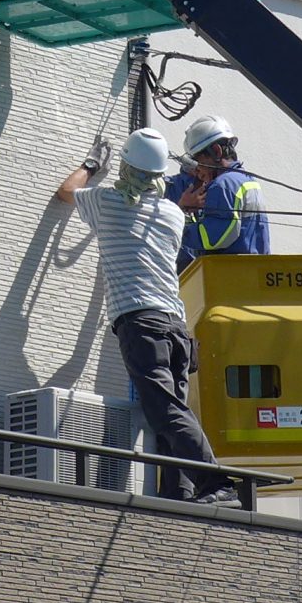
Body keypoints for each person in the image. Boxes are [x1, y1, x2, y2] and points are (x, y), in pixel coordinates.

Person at [57, 127, 235, 505]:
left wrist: (91, 165)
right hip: (176, 328)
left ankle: (216, 484)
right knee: (171, 413)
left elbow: (66, 192)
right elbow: (156, 213)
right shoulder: (173, 214)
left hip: (142, 323)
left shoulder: (106, 203)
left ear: (124, 166)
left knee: (164, 411)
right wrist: (182, 205)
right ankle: (180, 494)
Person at [168, 112, 269, 268]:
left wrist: (180, 223)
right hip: (254, 275)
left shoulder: (222, 184)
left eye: (197, 160)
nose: (196, 170)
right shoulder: (247, 180)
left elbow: (212, 238)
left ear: (216, 151)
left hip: (230, 278)